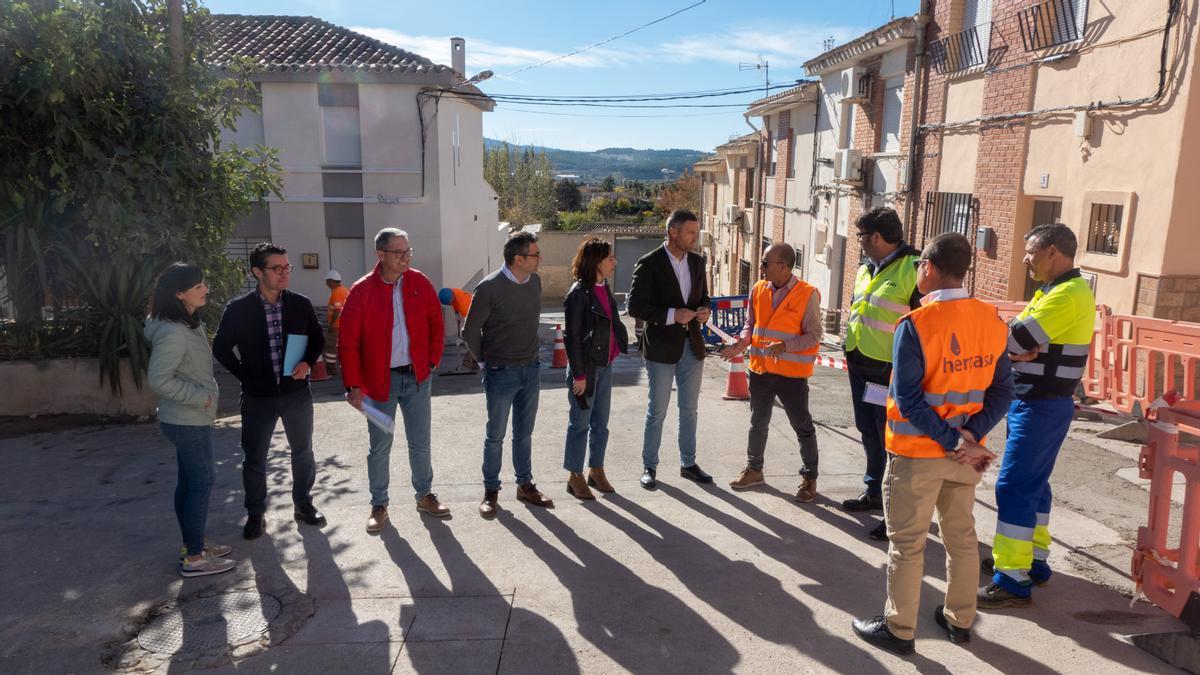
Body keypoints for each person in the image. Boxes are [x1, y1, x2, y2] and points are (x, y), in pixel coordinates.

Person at [852, 233, 1014, 655]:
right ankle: (960, 620)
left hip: (917, 454)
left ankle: (900, 627)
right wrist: (970, 437)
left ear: (929, 267)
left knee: (907, 544)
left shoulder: (916, 324)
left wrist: (950, 439)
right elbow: (1002, 392)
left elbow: (908, 398)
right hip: (964, 457)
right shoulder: (991, 320)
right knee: (961, 537)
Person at [978, 223, 1096, 609]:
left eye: (1031, 251)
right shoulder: (1054, 291)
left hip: (1041, 404)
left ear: (1053, 253)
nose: (1025, 258)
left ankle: (1011, 578)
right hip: (1038, 402)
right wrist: (1015, 347)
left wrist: (1013, 348)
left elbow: (1013, 339)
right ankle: (1033, 561)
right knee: (1036, 485)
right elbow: (1016, 337)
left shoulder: (1067, 294)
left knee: (1013, 486)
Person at [213, 242, 327, 539]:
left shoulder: (300, 304)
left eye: (287, 267)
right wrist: (245, 375)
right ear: (257, 272)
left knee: (302, 452)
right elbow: (221, 348)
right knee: (254, 457)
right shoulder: (238, 310)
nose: (284, 273)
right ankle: (255, 513)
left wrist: (306, 362)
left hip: (296, 394)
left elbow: (317, 338)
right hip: (258, 397)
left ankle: (303, 504)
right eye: (277, 268)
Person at [339, 229, 448, 534]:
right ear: (381, 255)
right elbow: (347, 343)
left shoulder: (420, 282)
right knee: (380, 446)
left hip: (417, 379)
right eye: (398, 252)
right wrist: (353, 386)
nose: (405, 257)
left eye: (407, 251)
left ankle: (425, 495)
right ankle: (379, 504)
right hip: (378, 383)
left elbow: (436, 325)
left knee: (420, 441)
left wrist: (431, 362)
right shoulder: (361, 291)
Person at [145, 263, 235, 577]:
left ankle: (192, 544)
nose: (205, 289)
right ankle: (195, 559)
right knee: (202, 482)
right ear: (179, 293)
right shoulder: (173, 332)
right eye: (198, 286)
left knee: (188, 484)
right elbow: (158, 380)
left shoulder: (186, 323)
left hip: (186, 418)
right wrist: (202, 397)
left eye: (203, 283)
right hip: (187, 419)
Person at [841, 207, 922, 542]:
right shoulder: (865, 268)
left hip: (890, 371)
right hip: (861, 363)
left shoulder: (915, 268)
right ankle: (873, 490)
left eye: (861, 235)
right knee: (869, 431)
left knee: (893, 441)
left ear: (875, 236)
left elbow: (923, 325)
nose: (858, 242)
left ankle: (896, 514)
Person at [463, 231, 554, 516]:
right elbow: (469, 331)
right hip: (500, 372)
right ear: (519, 259)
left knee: (524, 434)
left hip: (531, 368)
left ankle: (525, 485)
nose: (540, 259)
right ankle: (491, 490)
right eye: (535, 255)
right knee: (496, 436)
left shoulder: (535, 282)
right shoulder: (489, 287)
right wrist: (484, 362)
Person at [721, 243, 822, 501]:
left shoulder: (807, 294)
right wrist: (741, 343)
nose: (761, 267)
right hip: (761, 371)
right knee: (758, 423)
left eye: (766, 263)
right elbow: (750, 324)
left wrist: (786, 346)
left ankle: (809, 478)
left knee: (802, 426)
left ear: (784, 267)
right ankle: (754, 470)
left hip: (791, 374)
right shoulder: (758, 289)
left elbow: (814, 335)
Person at [627, 209, 712, 490]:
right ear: (673, 232)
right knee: (657, 410)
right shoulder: (649, 263)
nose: (695, 237)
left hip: (692, 346)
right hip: (661, 349)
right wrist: (671, 315)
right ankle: (649, 466)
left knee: (690, 410)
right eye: (690, 232)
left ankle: (688, 464)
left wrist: (703, 311)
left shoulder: (698, 263)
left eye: (696, 231)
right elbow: (635, 307)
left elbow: (704, 298)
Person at [562, 237, 630, 500]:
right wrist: (579, 375)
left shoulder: (604, 287)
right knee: (580, 423)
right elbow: (573, 338)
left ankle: (596, 470)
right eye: (610, 258)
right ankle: (574, 475)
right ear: (595, 262)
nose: (615, 262)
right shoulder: (578, 295)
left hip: (605, 365)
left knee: (601, 424)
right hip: (586, 370)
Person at [439, 287, 478, 371]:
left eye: (450, 303)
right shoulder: (452, 292)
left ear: (452, 298)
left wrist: (462, 336)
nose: (450, 305)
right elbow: (455, 306)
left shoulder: (463, 304)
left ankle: (467, 364)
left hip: (478, 317)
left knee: (475, 340)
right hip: (473, 313)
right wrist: (456, 313)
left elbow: (470, 323)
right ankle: (474, 364)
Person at [323, 269, 349, 375]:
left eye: (327, 281)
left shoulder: (337, 292)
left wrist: (331, 324)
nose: (326, 284)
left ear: (332, 281)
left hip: (336, 325)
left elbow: (337, 310)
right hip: (344, 325)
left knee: (330, 347)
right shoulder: (344, 290)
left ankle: (331, 369)